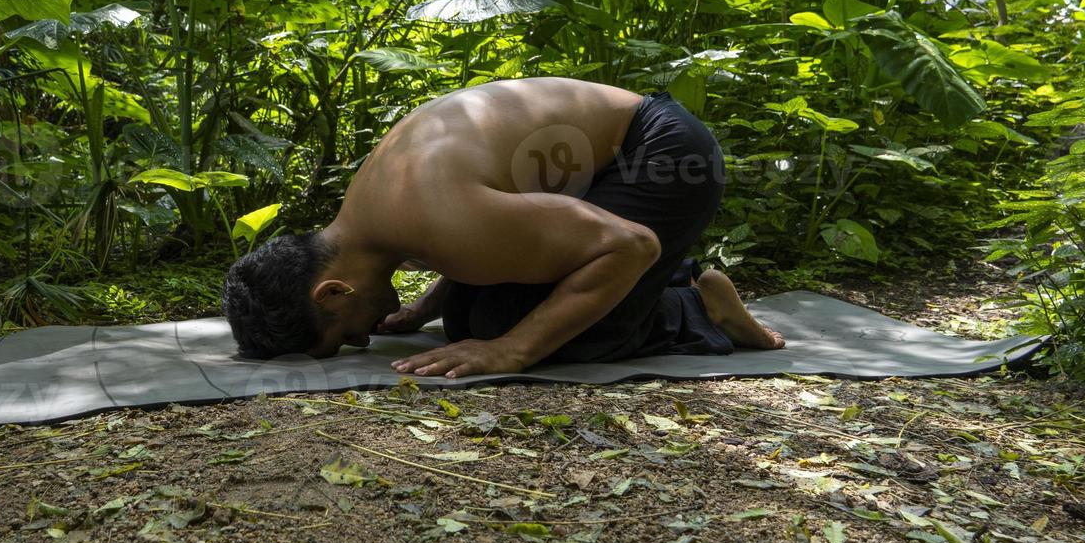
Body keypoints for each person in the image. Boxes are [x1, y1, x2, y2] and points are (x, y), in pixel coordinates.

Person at [222, 77, 784, 377]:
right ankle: (673, 286)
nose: (365, 338)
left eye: (346, 335)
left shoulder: (443, 220)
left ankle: (699, 305)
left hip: (662, 155)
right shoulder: (377, 215)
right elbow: (494, 239)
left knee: (551, 334)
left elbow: (632, 245)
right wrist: (424, 311)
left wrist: (514, 350)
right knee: (469, 317)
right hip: (599, 164)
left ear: (334, 291)